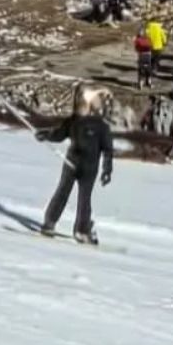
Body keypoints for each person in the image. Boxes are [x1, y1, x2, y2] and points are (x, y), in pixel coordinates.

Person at [36, 87, 115, 244]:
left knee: (84, 199)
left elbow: (108, 149)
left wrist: (107, 170)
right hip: (71, 163)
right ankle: (49, 222)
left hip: (89, 168)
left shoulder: (101, 127)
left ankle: (82, 229)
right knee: (62, 192)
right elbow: (59, 134)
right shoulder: (73, 121)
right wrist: (46, 134)